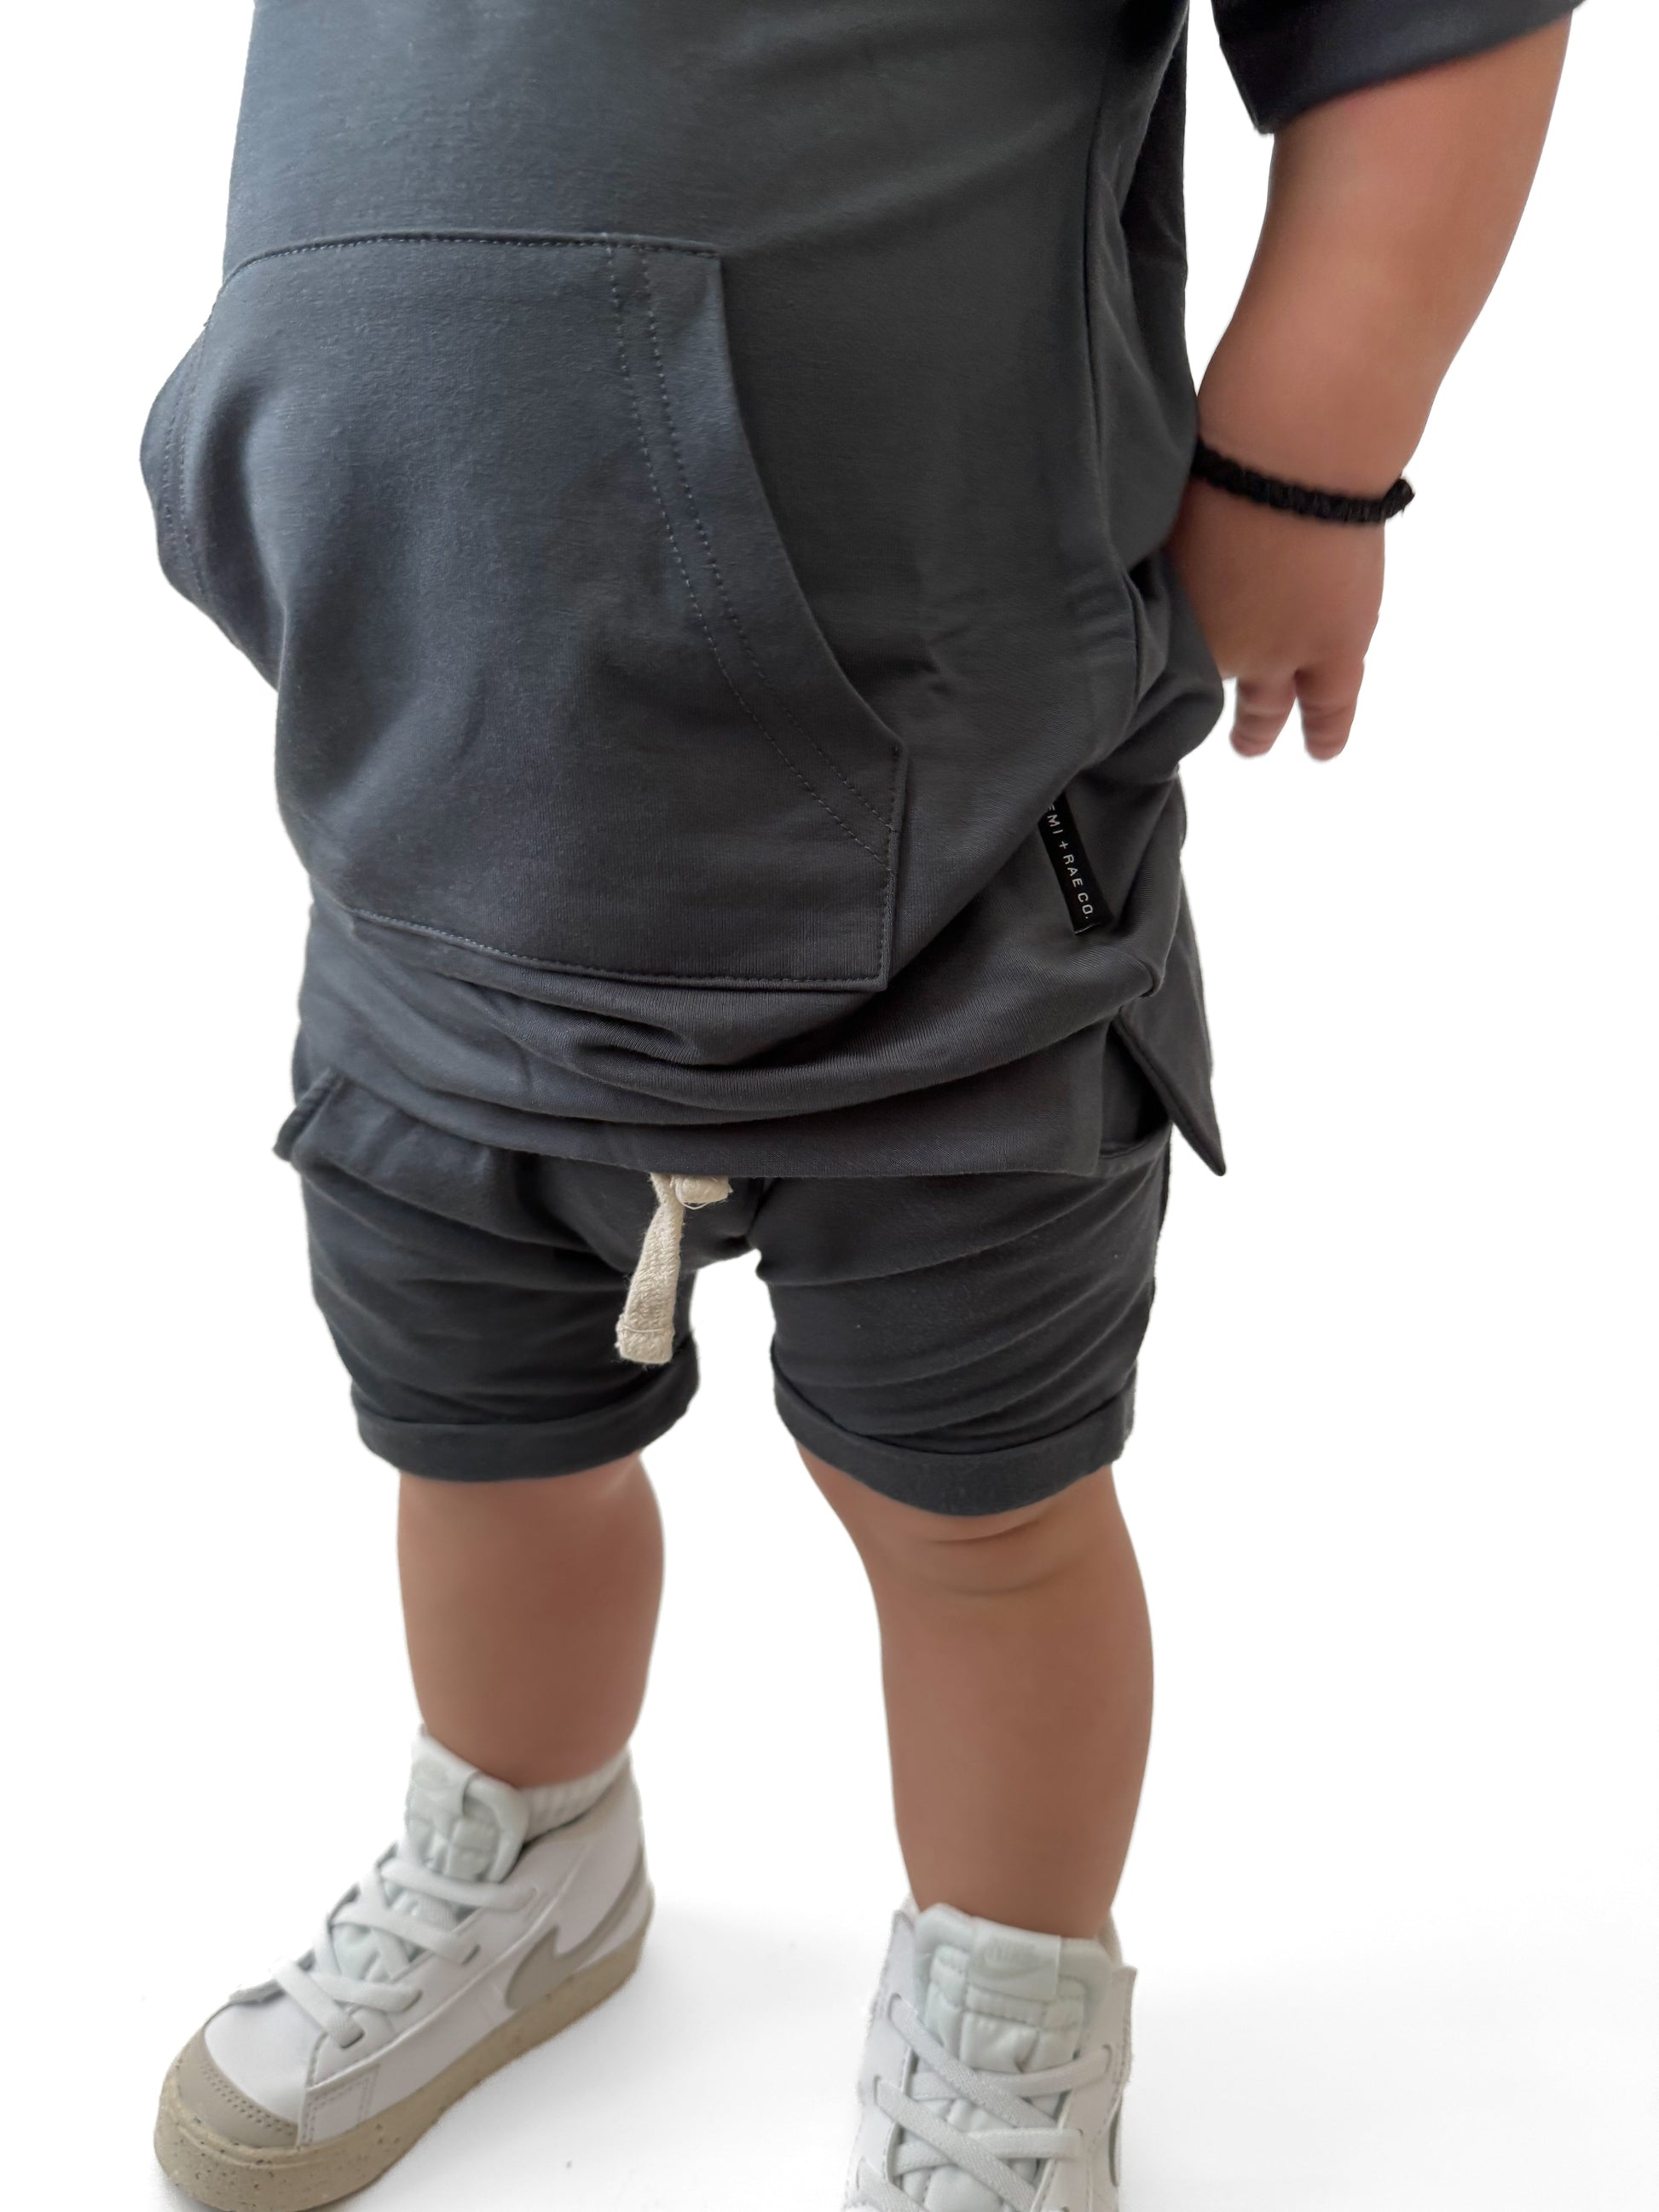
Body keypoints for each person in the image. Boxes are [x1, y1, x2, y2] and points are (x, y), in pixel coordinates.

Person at [139, 4, 1579, 2205]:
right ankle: (527, 1854)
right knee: (478, 1448)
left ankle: (1011, 1999)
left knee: (983, 1525)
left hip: (948, 890)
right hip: (429, 847)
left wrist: (1303, 459)